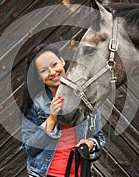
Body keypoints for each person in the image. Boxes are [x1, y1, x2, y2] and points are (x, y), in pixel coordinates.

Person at [21, 44, 105, 177]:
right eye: (44, 70)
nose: (52, 72)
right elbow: (30, 148)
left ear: (62, 61)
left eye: (54, 64)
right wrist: (52, 119)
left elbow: (98, 138)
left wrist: (90, 143)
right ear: (38, 77)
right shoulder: (36, 104)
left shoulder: (85, 98)